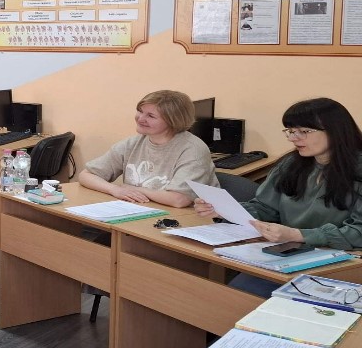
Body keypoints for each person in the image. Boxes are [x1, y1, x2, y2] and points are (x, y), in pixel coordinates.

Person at [196, 98, 362, 249]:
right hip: (288, 248)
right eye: (291, 131)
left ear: (335, 131)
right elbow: (266, 208)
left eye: (304, 131)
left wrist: (298, 235)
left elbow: (358, 232)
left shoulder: (357, 171)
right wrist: (223, 210)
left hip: (342, 257)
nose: (293, 138)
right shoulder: (291, 164)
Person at [78, 90, 219, 208]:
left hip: (187, 221)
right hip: (140, 213)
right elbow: (86, 175)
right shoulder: (133, 143)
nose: (140, 119)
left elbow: (179, 200)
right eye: (140, 111)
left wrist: (132, 189)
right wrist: (115, 189)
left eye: (151, 116)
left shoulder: (193, 150)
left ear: (173, 121)